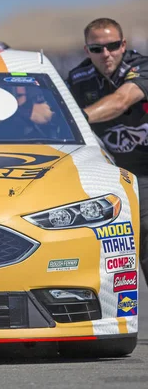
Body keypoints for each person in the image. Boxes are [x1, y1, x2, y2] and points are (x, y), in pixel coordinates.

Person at [67, 18, 148, 285]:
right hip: (111, 177)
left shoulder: (142, 66)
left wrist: (76, 119)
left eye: (113, 46)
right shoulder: (78, 79)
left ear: (123, 45)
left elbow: (121, 100)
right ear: (86, 50)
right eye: (97, 48)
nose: (106, 54)